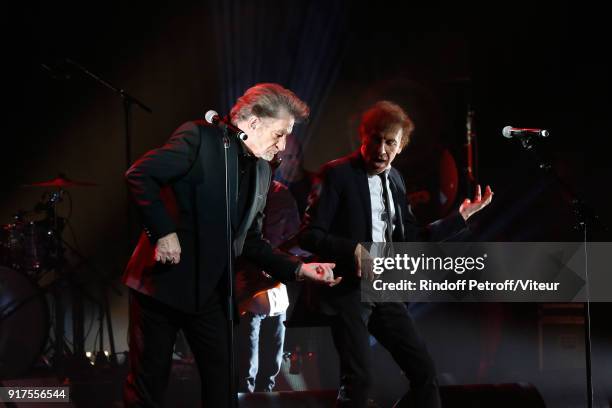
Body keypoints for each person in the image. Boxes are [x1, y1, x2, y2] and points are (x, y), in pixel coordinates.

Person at [122, 83, 340, 407]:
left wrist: (299, 269)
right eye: (280, 134)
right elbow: (140, 174)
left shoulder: (263, 170)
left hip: (212, 291)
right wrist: (163, 232)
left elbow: (251, 240)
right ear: (253, 123)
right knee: (149, 385)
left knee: (224, 385)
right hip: (162, 285)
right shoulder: (199, 137)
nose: (283, 145)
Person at [299, 100, 493, 408]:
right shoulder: (336, 175)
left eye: (391, 142)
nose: (381, 149)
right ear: (363, 137)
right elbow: (310, 235)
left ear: (401, 146)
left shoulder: (397, 181)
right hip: (348, 289)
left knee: (424, 374)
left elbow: (412, 240)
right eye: (376, 139)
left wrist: (461, 218)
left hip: (387, 290)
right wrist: (355, 251)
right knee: (358, 382)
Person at [237, 180, 300, 393]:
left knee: (271, 367)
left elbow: (293, 235)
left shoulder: (280, 192)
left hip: (275, 293)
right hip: (248, 292)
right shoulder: (241, 189)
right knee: (246, 369)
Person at [276, 134, 315, 218]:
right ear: (278, 157)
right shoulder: (269, 184)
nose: (297, 162)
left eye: (298, 155)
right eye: (289, 157)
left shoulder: (316, 183)